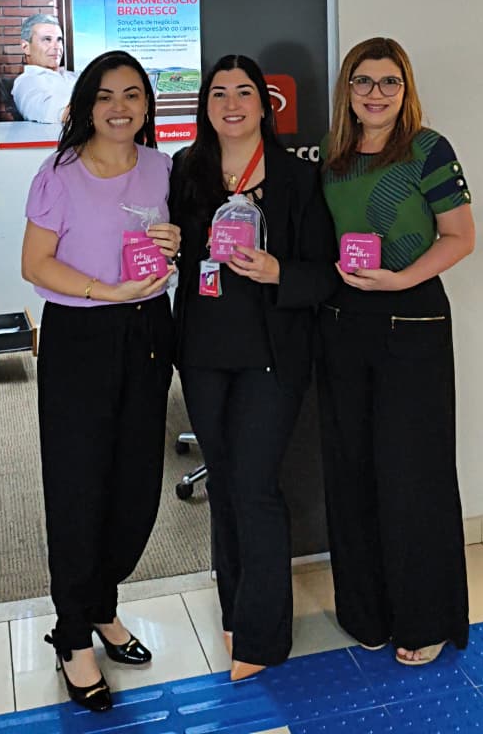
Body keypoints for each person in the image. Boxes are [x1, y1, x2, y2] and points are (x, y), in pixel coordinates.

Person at [169, 54, 337, 681]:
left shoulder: (297, 178)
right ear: (205, 106)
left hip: (272, 356)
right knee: (223, 486)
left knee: (256, 486)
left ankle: (263, 638)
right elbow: (179, 252)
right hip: (204, 353)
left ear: (265, 106)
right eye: (219, 93)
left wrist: (278, 272)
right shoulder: (186, 170)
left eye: (244, 92)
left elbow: (325, 273)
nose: (232, 104)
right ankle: (235, 610)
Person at [21, 49, 180, 712]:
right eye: (106, 95)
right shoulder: (58, 173)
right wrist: (105, 291)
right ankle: (73, 633)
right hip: (81, 334)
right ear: (86, 103)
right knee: (78, 485)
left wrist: (175, 246)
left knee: (135, 485)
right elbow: (36, 264)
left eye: (133, 95)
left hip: (149, 332)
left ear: (147, 106)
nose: (120, 108)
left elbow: (180, 249)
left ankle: (103, 606)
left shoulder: (163, 168)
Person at [318, 37, 475, 667]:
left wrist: (400, 279)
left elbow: (459, 236)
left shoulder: (428, 150)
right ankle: (367, 611)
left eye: (389, 82)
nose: (376, 93)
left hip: (412, 319)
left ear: (405, 90)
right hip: (342, 324)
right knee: (351, 471)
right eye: (363, 81)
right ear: (348, 91)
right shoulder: (332, 158)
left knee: (414, 474)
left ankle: (423, 616)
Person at [12, 14, 78, 122]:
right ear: (26, 47)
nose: (57, 47)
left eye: (59, 40)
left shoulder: (73, 75)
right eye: (47, 39)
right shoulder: (26, 81)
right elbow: (60, 113)